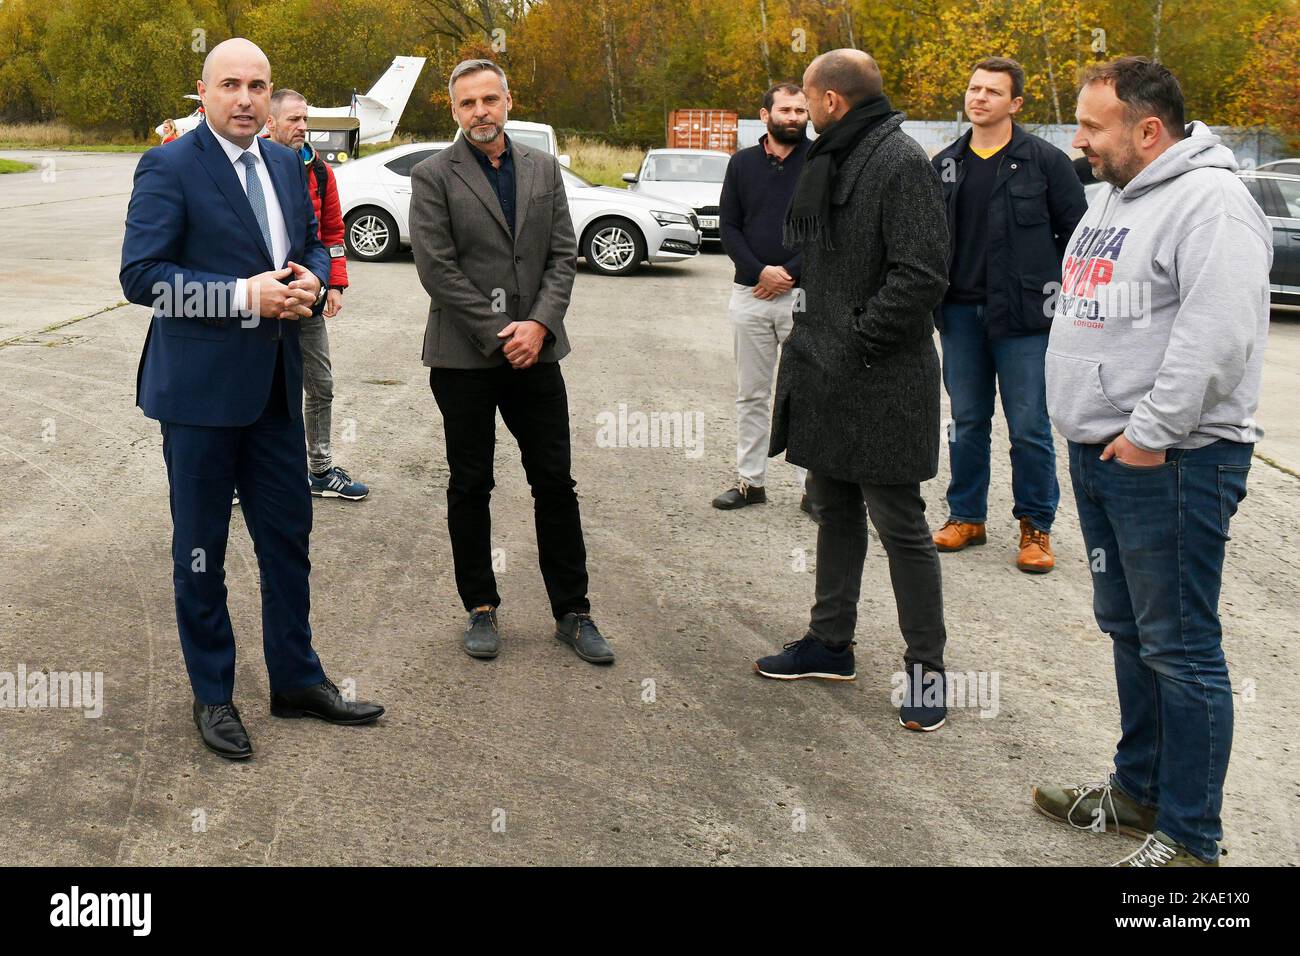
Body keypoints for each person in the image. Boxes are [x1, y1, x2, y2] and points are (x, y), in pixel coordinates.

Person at [1033, 57, 1271, 866]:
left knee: (1180, 646)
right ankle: (1138, 794)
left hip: (1172, 464)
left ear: (1148, 129)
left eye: (1094, 126)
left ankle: (1192, 838)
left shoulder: (1212, 206)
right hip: (1104, 453)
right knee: (1130, 631)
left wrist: (1150, 435)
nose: (1080, 141)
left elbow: (1219, 337)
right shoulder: (1113, 197)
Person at [119, 38, 384, 760]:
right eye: (230, 84)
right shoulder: (169, 165)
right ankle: (213, 695)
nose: (244, 98)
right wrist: (242, 295)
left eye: (257, 86)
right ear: (202, 92)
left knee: (287, 540)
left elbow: (315, 243)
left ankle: (296, 681)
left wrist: (314, 279)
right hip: (199, 398)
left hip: (274, 389)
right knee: (201, 550)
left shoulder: (284, 163)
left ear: (271, 96)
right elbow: (142, 277)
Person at [759, 49, 952, 732]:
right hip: (827, 373)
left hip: (882, 379)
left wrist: (858, 340)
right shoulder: (835, 155)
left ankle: (927, 671)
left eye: (809, 98)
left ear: (832, 101)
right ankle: (830, 643)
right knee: (833, 509)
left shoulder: (900, 162)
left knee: (900, 527)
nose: (804, 110)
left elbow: (922, 275)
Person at [409, 59, 614, 665]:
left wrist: (540, 325)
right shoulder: (432, 175)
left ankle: (573, 611)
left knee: (555, 482)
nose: (481, 112)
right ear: (453, 110)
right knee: (471, 483)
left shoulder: (543, 168)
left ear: (507, 100)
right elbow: (436, 268)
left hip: (537, 354)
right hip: (464, 358)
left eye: (490, 100)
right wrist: (501, 333)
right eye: (468, 103)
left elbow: (562, 256)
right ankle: (480, 606)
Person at [929, 58, 1087, 573]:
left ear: (1015, 103)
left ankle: (1035, 529)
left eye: (993, 92)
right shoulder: (946, 164)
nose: (980, 98)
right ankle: (966, 517)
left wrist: (1060, 300)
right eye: (974, 88)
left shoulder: (1045, 162)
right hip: (959, 316)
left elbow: (1079, 240)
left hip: (1025, 322)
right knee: (967, 421)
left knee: (1029, 427)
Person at [265, 88, 369, 500]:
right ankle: (240, 475)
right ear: (270, 123)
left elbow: (332, 235)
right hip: (257, 301)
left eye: (305, 119)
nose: (304, 127)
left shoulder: (321, 172)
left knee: (320, 384)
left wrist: (334, 285)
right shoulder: (250, 170)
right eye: (294, 120)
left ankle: (320, 470)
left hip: (307, 299)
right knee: (257, 387)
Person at [713, 82, 810, 513]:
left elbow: (832, 230)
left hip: (803, 296)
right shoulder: (742, 164)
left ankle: (816, 490)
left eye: (801, 111)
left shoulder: (822, 163)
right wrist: (760, 271)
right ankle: (751, 482)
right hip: (749, 293)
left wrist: (790, 271)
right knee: (751, 394)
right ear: (765, 113)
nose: (793, 117)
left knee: (808, 394)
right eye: (785, 109)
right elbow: (728, 226)